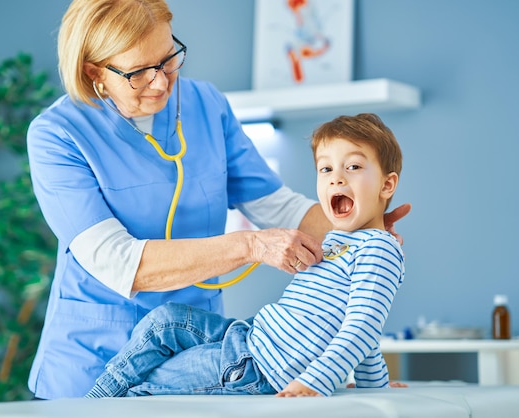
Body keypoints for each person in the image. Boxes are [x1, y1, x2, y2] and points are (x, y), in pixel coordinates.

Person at [26, 0, 410, 399]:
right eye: (139, 72)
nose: (162, 82)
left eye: (168, 58)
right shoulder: (57, 134)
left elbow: (279, 207)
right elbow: (121, 263)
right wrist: (250, 246)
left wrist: (364, 230)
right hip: (93, 361)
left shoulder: (205, 105)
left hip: (209, 357)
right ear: (95, 72)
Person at [84, 113, 405, 398]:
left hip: (258, 365)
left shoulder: (379, 249)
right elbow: (358, 319)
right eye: (325, 168)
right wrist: (372, 384)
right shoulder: (341, 242)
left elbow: (362, 327)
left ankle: (86, 409)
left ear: (387, 185)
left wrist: (315, 382)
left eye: (353, 166)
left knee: (148, 381)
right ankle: (89, 403)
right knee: (164, 321)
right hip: (251, 335)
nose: (336, 177)